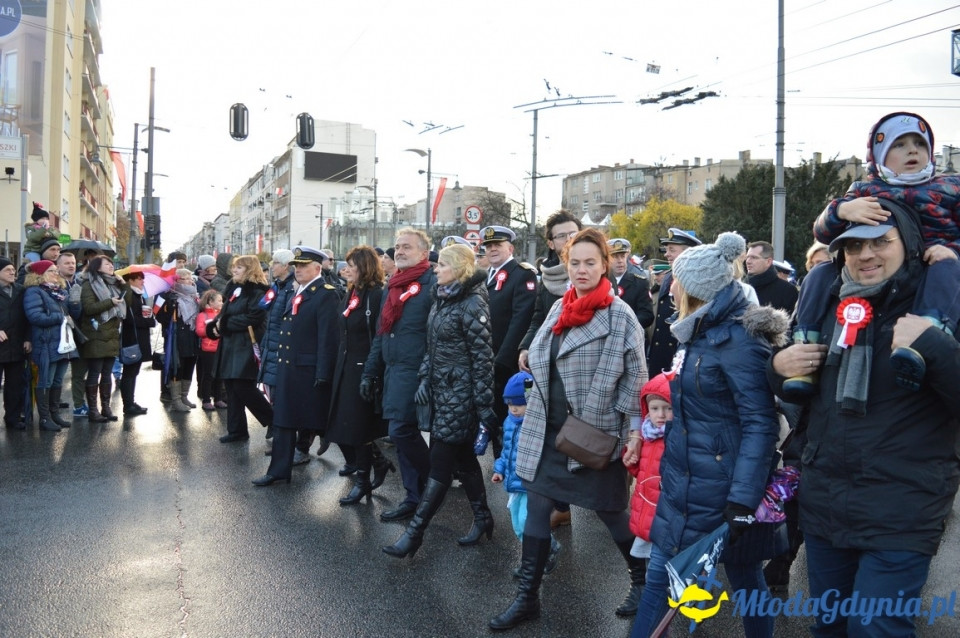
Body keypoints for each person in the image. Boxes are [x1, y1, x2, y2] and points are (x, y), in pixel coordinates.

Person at [768, 206, 960, 637]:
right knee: (830, 627)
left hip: (902, 507)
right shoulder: (828, 301)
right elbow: (798, 389)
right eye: (854, 245)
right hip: (826, 504)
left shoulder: (943, 304)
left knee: (876, 629)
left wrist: (933, 345)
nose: (866, 254)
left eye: (880, 242)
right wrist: (778, 366)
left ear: (908, 244)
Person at [630, 232, 787, 638]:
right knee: (660, 583)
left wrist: (742, 499)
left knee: (746, 578)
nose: (671, 284)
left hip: (724, 490)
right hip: (684, 482)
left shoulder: (739, 341)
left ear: (697, 289)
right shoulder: (698, 330)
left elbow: (759, 423)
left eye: (678, 278)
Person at [489, 228, 647, 631]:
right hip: (547, 430)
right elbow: (543, 349)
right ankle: (527, 599)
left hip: (591, 431)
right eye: (574, 262)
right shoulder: (561, 306)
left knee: (612, 515)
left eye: (590, 263)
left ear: (605, 265)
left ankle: (644, 583)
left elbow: (635, 380)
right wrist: (529, 355)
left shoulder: (618, 314)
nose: (580, 270)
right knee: (538, 511)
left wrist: (633, 434)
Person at [809, 111, 960, 391]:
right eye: (899, 144)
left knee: (946, 268)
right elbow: (822, 231)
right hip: (885, 278)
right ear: (878, 154)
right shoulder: (865, 189)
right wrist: (841, 209)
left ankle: (927, 333)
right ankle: (805, 339)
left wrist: (954, 252)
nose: (912, 150)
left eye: (920, 143)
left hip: (933, 268)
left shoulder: (950, 186)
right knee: (821, 272)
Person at [382, 243, 497, 558]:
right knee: (464, 459)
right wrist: (423, 378)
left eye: (442, 265)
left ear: (458, 268)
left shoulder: (473, 304)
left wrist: (484, 406)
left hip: (461, 395)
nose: (436, 269)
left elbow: (483, 359)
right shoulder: (442, 300)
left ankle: (415, 533)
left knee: (440, 466)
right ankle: (484, 516)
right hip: (441, 391)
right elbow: (431, 349)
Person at [360, 228, 435, 523]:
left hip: (415, 371)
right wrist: (369, 372)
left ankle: (432, 483)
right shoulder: (393, 286)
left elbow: (435, 336)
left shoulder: (431, 284)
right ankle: (415, 496)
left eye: (407, 247)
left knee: (401, 431)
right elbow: (382, 334)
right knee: (401, 433)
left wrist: (427, 374)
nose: (400, 251)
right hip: (393, 370)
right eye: (397, 247)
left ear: (424, 254)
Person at [252, 247, 340, 486]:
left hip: (309, 370)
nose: (297, 269)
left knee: (328, 424)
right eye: (296, 266)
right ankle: (278, 471)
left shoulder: (325, 294)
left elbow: (328, 338)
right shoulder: (297, 290)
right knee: (283, 421)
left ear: (317, 268)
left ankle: (367, 462)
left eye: (303, 266)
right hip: (290, 368)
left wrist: (323, 373)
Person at [518, 210, 582, 530]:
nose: (568, 240)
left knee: (583, 439)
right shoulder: (547, 276)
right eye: (561, 235)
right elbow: (537, 317)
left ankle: (604, 501)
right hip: (548, 368)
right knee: (552, 437)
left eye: (573, 233)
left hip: (580, 370)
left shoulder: (593, 271)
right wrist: (527, 346)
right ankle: (560, 504)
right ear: (551, 242)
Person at [326, 246, 394, 504]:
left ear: (364, 266)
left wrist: (372, 370)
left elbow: (379, 335)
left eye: (351, 264)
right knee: (348, 424)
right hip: (346, 367)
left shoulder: (377, 295)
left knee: (358, 427)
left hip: (364, 368)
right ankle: (378, 463)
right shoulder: (352, 292)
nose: (346, 269)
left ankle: (363, 480)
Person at [492, 370, 561, 577]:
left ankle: (537, 557)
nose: (514, 409)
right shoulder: (509, 423)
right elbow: (506, 450)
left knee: (526, 521)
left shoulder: (536, 425)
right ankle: (536, 555)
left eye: (519, 404)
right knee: (517, 525)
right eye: (510, 404)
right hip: (514, 483)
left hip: (531, 483)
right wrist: (499, 469)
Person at [481, 224, 537, 459]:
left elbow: (520, 320)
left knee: (509, 417)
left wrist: (502, 359)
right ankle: (500, 463)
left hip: (506, 361)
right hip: (486, 357)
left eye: (498, 245)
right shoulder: (487, 276)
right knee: (493, 414)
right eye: (489, 246)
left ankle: (509, 465)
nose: (493, 249)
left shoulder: (522, 274)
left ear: (510, 247)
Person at [207, 255, 274, 443]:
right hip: (230, 344)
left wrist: (225, 323)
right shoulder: (234, 288)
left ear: (249, 270)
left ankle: (272, 420)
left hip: (246, 344)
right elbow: (224, 313)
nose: (234, 270)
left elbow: (255, 317)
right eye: (234, 267)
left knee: (243, 386)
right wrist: (215, 324)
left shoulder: (258, 291)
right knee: (231, 387)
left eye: (239, 268)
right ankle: (237, 430)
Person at [622, 373, 671, 577]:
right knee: (654, 570)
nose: (660, 414)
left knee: (668, 569)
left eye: (668, 408)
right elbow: (642, 472)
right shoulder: (647, 435)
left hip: (665, 514)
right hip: (648, 511)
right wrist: (631, 461)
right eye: (654, 408)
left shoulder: (676, 438)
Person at [23, 260, 77, 431]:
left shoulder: (58, 292)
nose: (56, 274)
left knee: (58, 380)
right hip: (46, 343)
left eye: (55, 270)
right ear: (40, 274)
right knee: (45, 381)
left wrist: (75, 303)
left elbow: (71, 314)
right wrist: (59, 318)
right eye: (51, 271)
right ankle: (45, 419)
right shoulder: (34, 291)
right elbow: (35, 317)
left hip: (62, 343)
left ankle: (54, 414)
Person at [257, 249, 297, 453]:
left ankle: (290, 444)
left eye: (275, 263)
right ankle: (282, 441)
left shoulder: (292, 287)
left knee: (283, 399)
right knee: (274, 396)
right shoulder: (278, 286)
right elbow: (264, 307)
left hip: (281, 349)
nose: (272, 266)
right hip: (270, 346)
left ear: (286, 266)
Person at [646, 228, 701, 376]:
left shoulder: (696, 280)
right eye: (666, 249)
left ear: (687, 252)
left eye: (672, 250)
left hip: (678, 356)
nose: (666, 254)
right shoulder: (670, 276)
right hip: (660, 356)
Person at [79, 256, 126, 423]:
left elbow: (125, 300)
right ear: (97, 267)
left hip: (112, 333)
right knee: (95, 373)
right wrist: (109, 302)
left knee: (107, 373)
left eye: (112, 263)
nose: (111, 266)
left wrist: (122, 284)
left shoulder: (113, 283)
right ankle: (93, 410)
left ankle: (106, 408)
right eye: (107, 264)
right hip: (96, 333)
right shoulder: (89, 284)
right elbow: (89, 308)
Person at [157, 269, 201, 412]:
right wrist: (169, 307)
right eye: (186, 279)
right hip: (176, 338)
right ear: (177, 281)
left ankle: (184, 396)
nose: (190, 281)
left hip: (192, 336)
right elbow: (159, 317)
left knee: (190, 365)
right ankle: (175, 400)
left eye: (190, 278)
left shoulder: (195, 296)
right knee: (177, 367)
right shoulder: (168, 295)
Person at [118, 271, 155, 417]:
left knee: (134, 372)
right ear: (130, 280)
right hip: (132, 339)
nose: (142, 282)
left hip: (140, 339)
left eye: (142, 279)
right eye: (139, 279)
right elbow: (130, 319)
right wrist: (148, 321)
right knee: (129, 372)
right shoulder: (130, 296)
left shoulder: (139, 295)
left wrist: (149, 318)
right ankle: (128, 405)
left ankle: (131, 402)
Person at [0, 257, 29, 429]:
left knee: (15, 386)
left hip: (17, 344)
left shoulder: (20, 290)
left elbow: (27, 317)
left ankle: (13, 417)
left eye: (13, 269)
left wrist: (27, 338)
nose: (13, 272)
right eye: (7, 270)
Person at [58, 252, 88, 417]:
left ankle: (79, 405)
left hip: (79, 333)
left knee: (79, 371)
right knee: (56, 375)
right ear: (58, 266)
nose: (71, 265)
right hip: (60, 334)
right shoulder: (55, 284)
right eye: (67, 263)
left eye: (73, 263)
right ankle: (50, 408)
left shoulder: (79, 283)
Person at [608, 238, 654, 328]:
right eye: (615, 257)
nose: (620, 260)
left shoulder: (640, 283)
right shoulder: (600, 282)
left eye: (622, 256)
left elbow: (647, 315)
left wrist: (625, 325)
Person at [744, 240, 799, 313]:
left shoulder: (787, 291)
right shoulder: (740, 288)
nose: (748, 261)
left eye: (754, 257)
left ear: (768, 262)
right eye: (747, 257)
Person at [195, 289, 223, 410]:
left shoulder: (221, 314)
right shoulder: (203, 315)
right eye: (219, 301)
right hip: (208, 349)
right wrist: (212, 329)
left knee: (219, 375)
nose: (222, 303)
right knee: (208, 375)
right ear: (211, 302)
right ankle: (206, 399)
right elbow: (199, 331)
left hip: (220, 348)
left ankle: (218, 399)